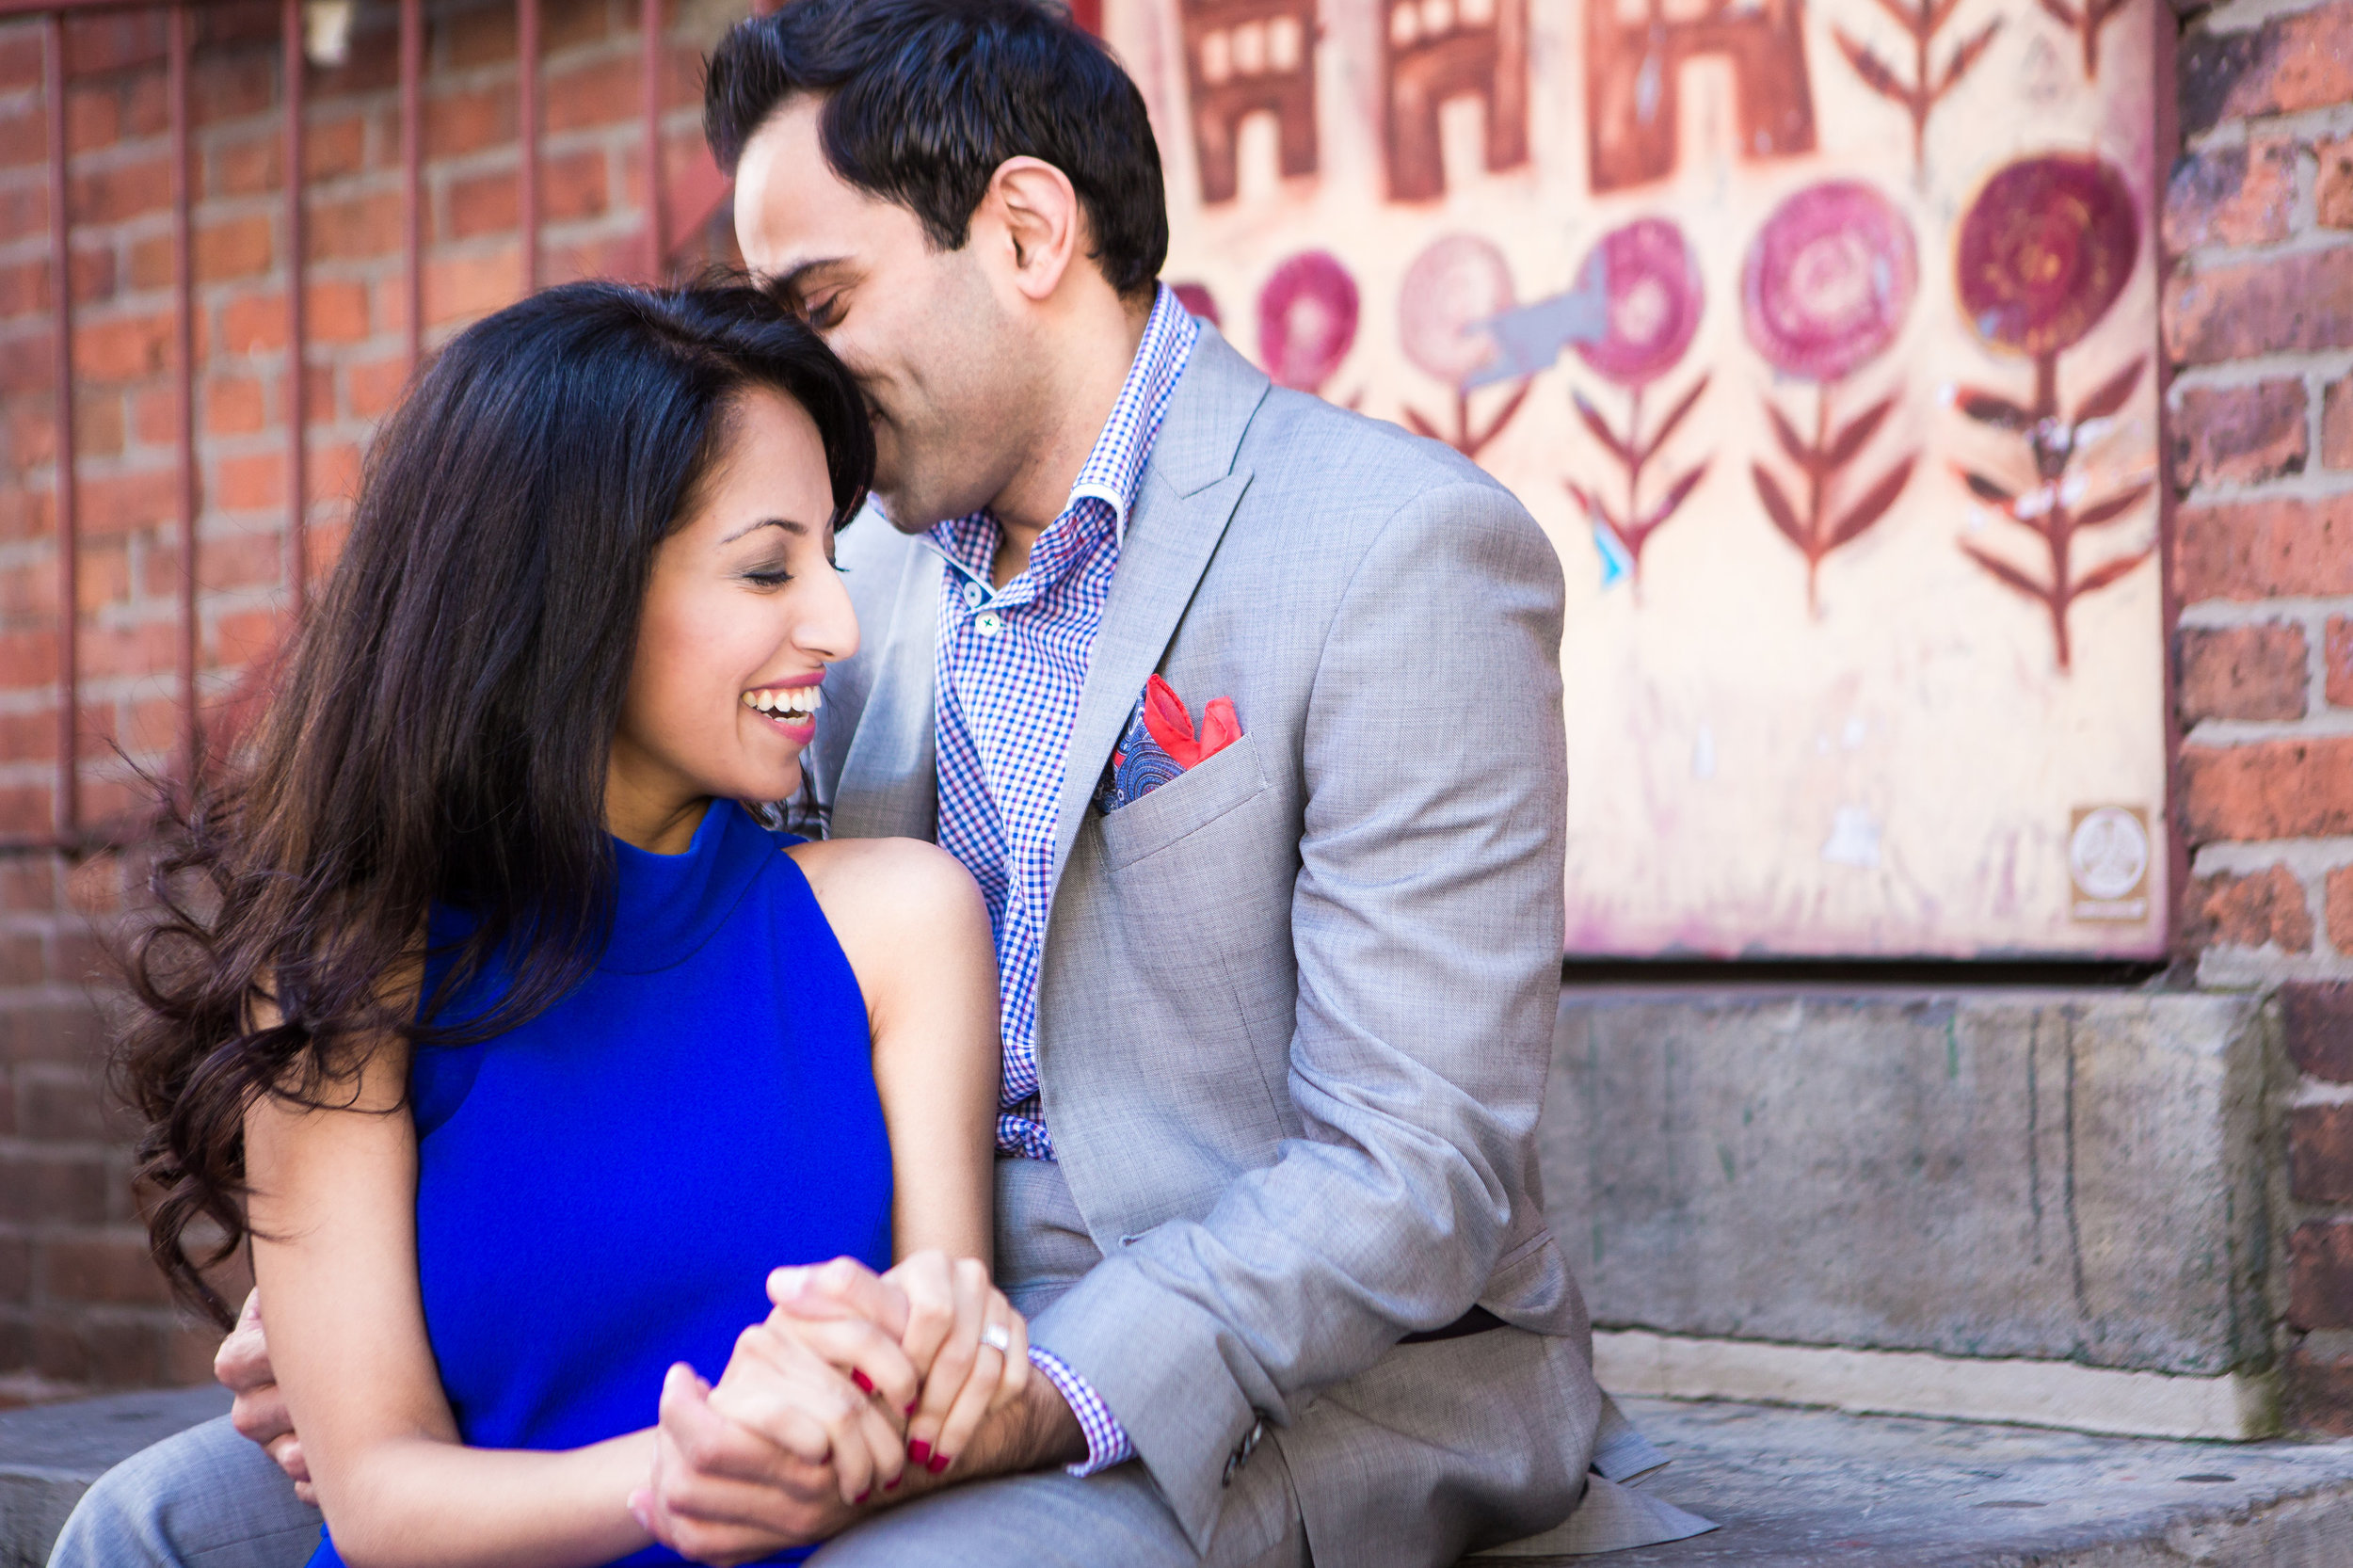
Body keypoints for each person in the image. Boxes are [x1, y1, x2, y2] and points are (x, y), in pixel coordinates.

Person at [53, 2, 1716, 1564]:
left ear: (1026, 231)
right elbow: (641, 936)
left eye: (824, 303)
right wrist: (383, 1266)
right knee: (160, 1528)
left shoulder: (1392, 549)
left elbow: (1413, 1165)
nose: (799, 375)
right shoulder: (844, 567)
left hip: (1255, 1357)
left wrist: (1033, 1384)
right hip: (787, 1290)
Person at [75, 280, 1034, 1568]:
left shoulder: (903, 924)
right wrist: (695, 1464)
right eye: (767, 567)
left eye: (830, 559)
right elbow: (377, 1496)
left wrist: (899, 1392)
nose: (838, 626)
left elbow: (938, 1353)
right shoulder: (354, 968)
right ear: (569, 592)